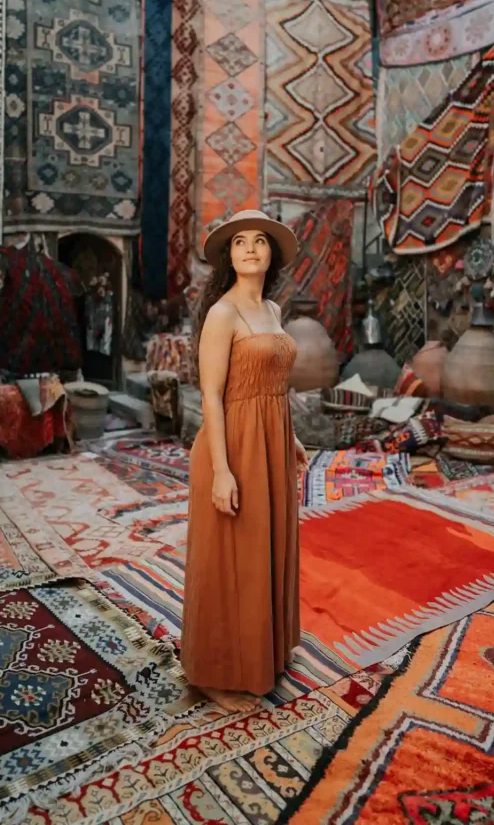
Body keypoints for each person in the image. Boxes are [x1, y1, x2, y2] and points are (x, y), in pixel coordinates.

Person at [181, 209, 308, 714]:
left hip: (271, 440)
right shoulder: (223, 314)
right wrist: (222, 470)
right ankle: (214, 672)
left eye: (260, 241)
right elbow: (211, 395)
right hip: (231, 443)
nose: (251, 248)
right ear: (228, 257)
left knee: (264, 546)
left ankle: (263, 652)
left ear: (271, 253)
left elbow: (275, 383)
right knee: (229, 558)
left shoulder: (273, 311)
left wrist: (291, 436)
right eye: (240, 243)